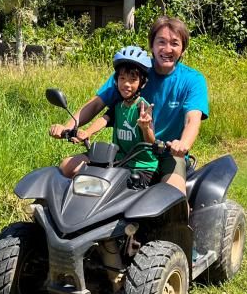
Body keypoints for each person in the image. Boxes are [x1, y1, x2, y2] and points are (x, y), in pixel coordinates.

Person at [49, 16, 208, 197]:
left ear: (183, 48)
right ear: (152, 45)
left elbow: (192, 119)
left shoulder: (192, 80)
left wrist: (183, 145)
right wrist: (68, 127)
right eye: (161, 42)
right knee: (67, 167)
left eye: (174, 43)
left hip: (167, 154)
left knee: (173, 198)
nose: (167, 49)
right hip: (126, 152)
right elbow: (96, 105)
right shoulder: (133, 70)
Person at [58, 46, 158, 184]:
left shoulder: (142, 107)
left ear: (142, 83)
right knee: (72, 169)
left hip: (142, 167)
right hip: (119, 161)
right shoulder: (118, 105)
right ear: (116, 81)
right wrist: (87, 132)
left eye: (133, 80)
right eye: (122, 78)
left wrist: (145, 127)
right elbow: (104, 119)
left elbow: (151, 142)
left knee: (119, 188)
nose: (126, 84)